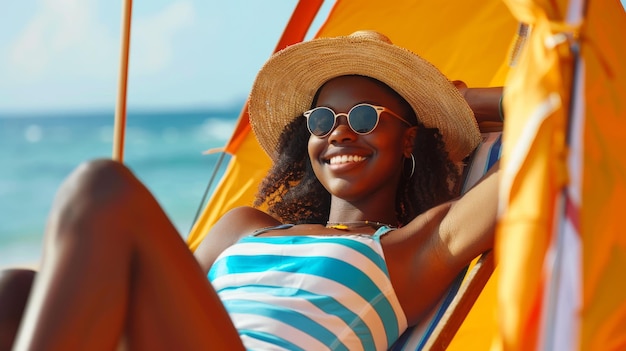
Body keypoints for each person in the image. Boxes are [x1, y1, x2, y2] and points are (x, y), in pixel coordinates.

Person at [3, 30, 502, 350]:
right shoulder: (243, 227)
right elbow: (150, 309)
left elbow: (558, 124)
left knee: (102, 189)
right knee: (14, 290)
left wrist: (455, 99)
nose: (340, 133)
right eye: (323, 119)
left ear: (408, 138)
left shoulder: (414, 248)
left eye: (367, 117)